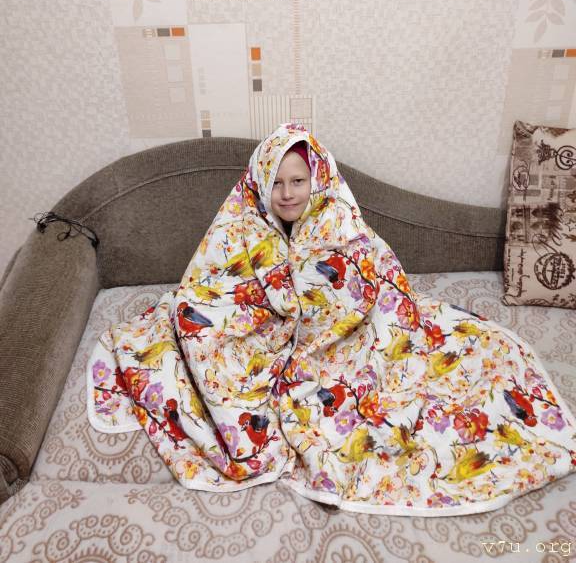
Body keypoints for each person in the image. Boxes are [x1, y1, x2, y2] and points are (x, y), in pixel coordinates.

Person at [88, 123, 576, 515]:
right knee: (193, 324)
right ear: (259, 183)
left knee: (392, 364)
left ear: (317, 179)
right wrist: (265, 312)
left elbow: (366, 283)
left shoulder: (339, 221)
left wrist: (312, 311)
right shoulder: (240, 223)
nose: (287, 194)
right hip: (263, 336)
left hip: (338, 341)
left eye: (298, 181)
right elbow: (211, 282)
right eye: (276, 183)